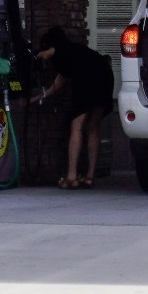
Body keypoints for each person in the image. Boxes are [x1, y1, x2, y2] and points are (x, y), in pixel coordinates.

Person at [34, 25, 114, 189]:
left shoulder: (59, 53)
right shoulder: (74, 52)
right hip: (105, 76)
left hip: (87, 81)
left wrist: (37, 56)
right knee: (93, 127)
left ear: (50, 47)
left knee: (76, 127)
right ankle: (90, 176)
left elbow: (57, 74)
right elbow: (59, 82)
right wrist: (39, 97)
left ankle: (71, 177)